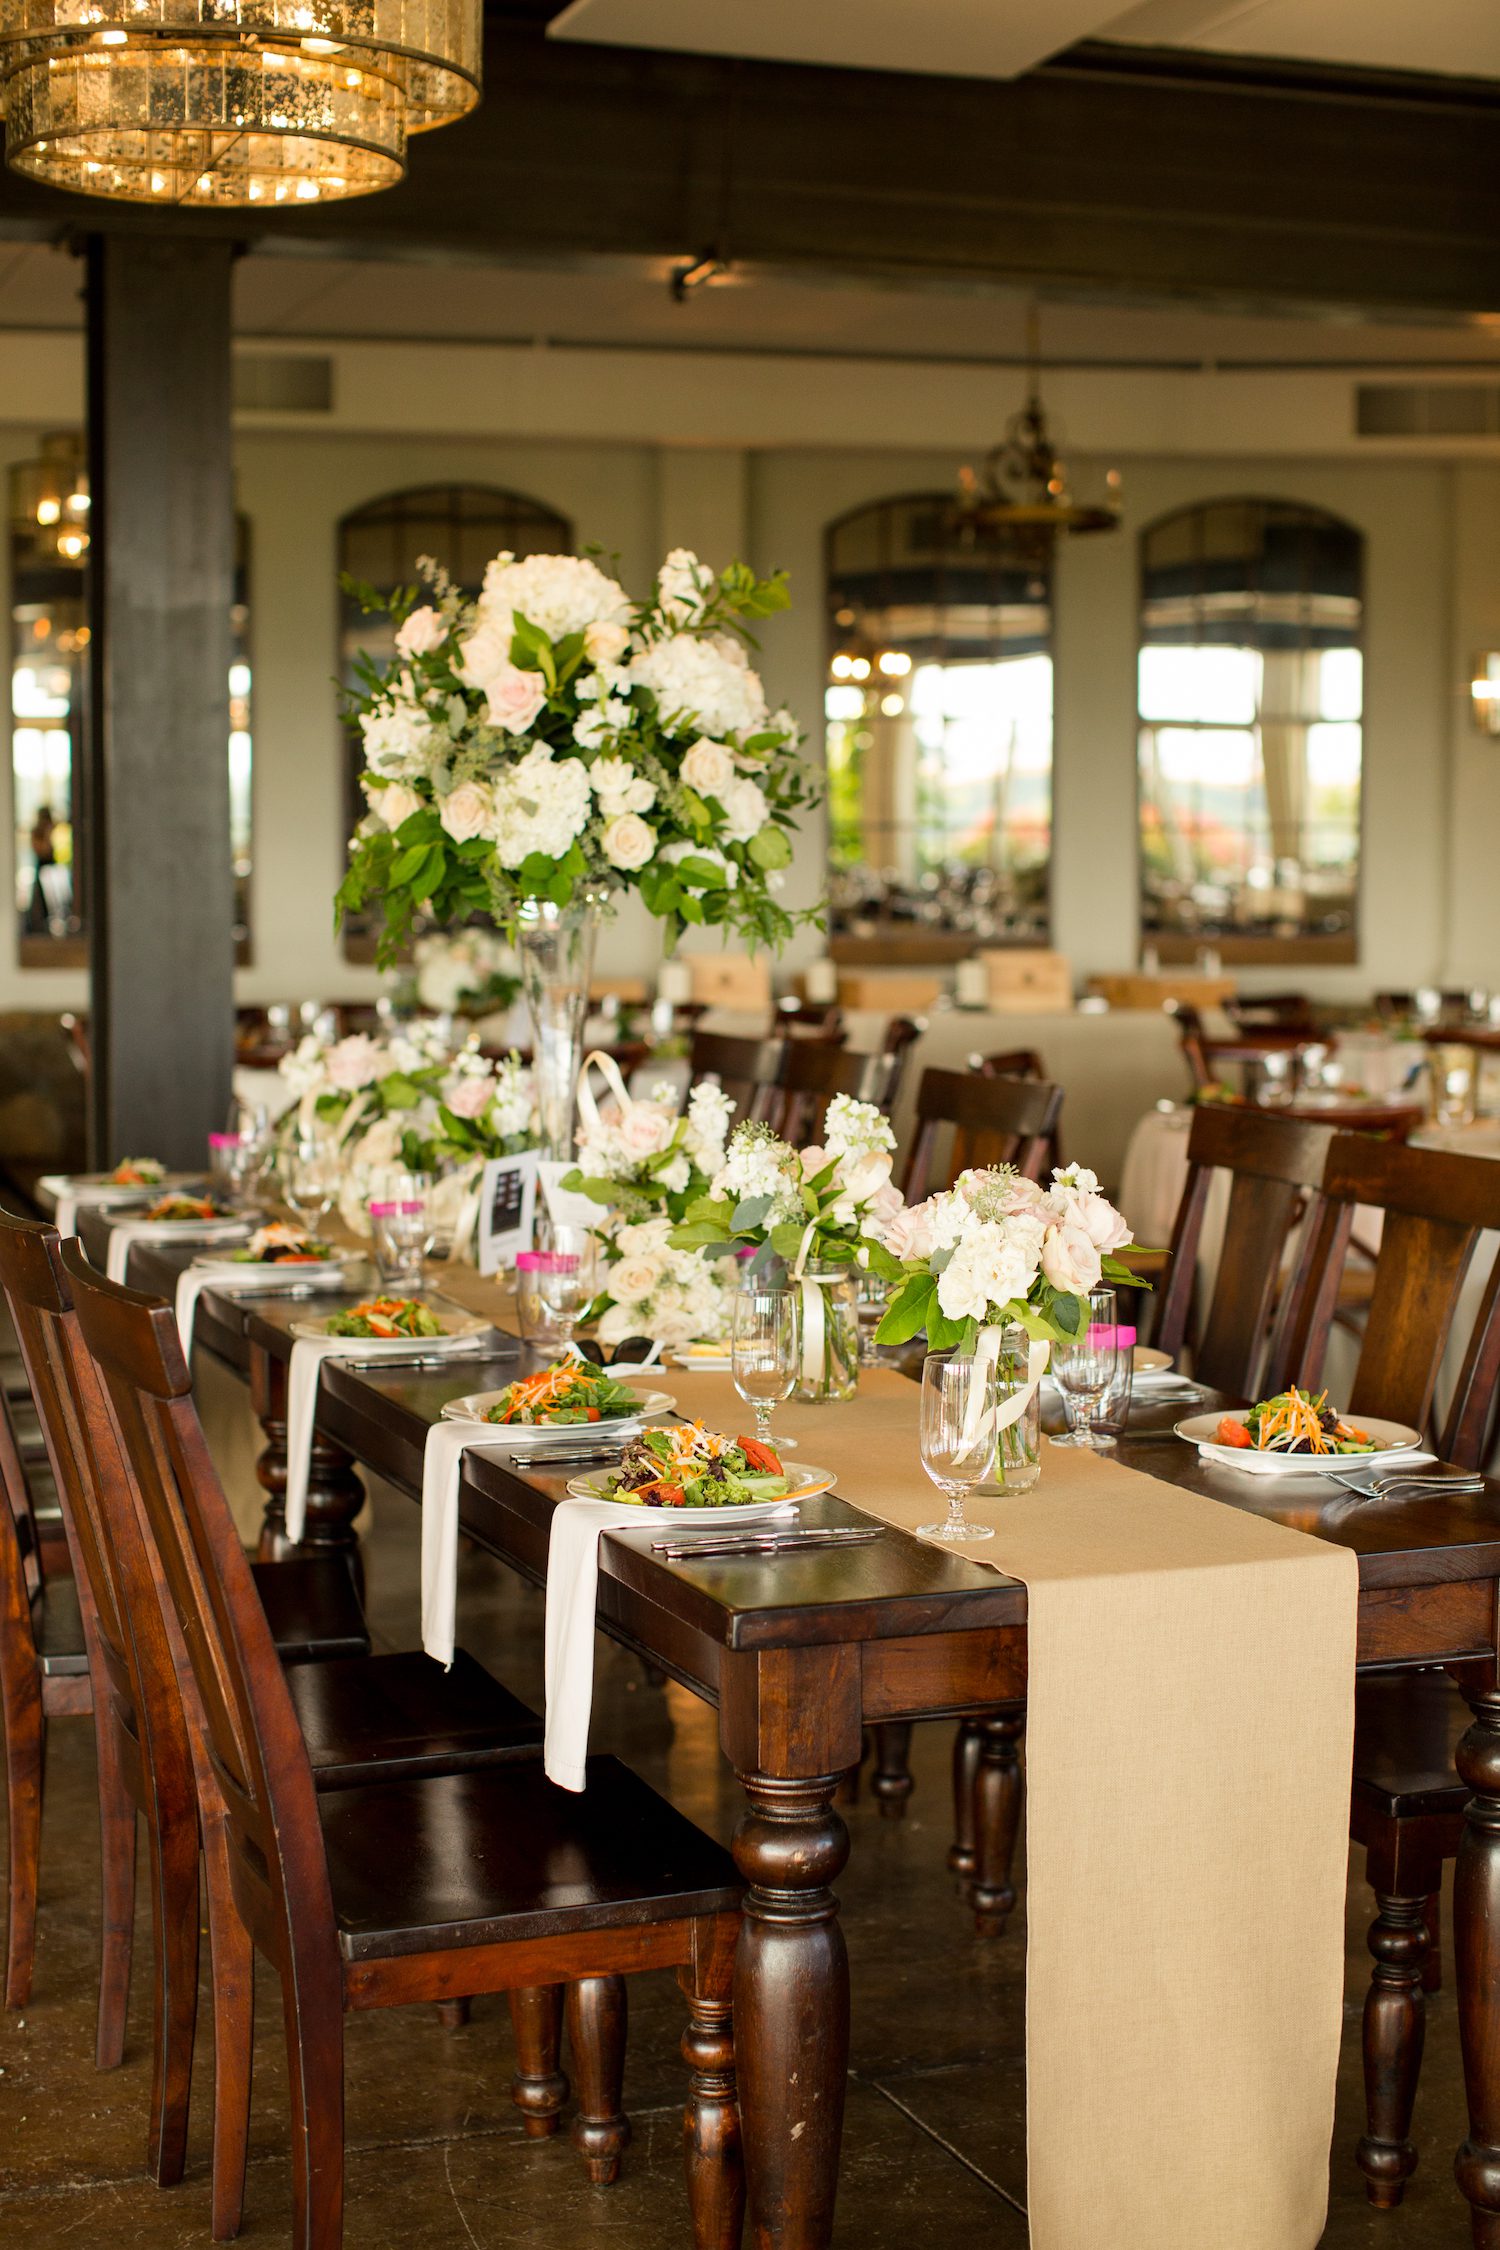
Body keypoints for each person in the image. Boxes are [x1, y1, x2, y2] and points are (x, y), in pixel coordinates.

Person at [26, 804, 55, 934]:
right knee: (41, 899)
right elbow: (43, 851)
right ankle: (39, 925)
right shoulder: (36, 832)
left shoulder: (54, 831)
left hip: (52, 867)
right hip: (43, 866)